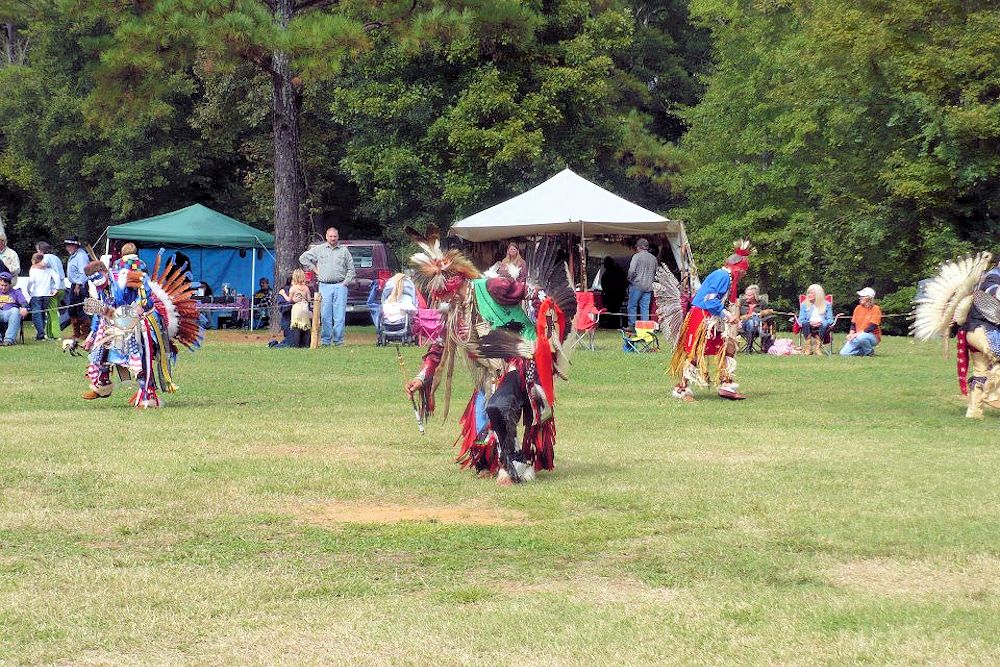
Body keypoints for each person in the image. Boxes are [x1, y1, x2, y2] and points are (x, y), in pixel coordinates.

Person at [403, 227, 576, 485]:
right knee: (486, 411)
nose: (447, 299)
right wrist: (422, 376)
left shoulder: (492, 286)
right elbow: (439, 345)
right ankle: (503, 461)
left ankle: (514, 462)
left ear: (458, 280)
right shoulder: (454, 310)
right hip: (492, 367)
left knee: (500, 405)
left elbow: (538, 296)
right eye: (442, 296)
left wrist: (546, 340)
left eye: (447, 293)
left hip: (522, 356)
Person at [81, 252, 203, 407]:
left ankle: (148, 394)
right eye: (97, 283)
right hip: (118, 323)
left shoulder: (125, 277)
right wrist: (91, 336)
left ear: (106, 272)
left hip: (142, 321)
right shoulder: (100, 287)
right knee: (100, 347)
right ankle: (102, 385)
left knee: (139, 358)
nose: (101, 285)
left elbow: (147, 296)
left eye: (101, 280)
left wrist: (139, 306)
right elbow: (102, 312)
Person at [667, 240, 752, 401]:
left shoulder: (722, 276)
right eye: (744, 271)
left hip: (709, 317)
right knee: (695, 354)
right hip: (702, 317)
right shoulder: (722, 276)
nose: (744, 275)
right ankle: (681, 389)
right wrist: (728, 315)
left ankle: (726, 384)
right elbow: (710, 301)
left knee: (729, 347)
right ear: (738, 268)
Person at [299, 227, 355, 347]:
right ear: (326, 236)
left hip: (340, 286)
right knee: (325, 315)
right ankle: (326, 341)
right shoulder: (319, 249)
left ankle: (338, 341)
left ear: (338, 237)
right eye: (330, 236)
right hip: (324, 286)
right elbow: (303, 258)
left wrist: (345, 282)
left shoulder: (344, 251)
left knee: (339, 316)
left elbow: (351, 269)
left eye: (335, 236)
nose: (333, 238)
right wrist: (314, 269)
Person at [840, 287, 882, 356]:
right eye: (860, 296)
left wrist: (856, 335)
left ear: (869, 298)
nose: (860, 298)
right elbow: (853, 324)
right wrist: (851, 334)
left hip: (872, 336)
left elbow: (871, 327)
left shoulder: (876, 309)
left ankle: (869, 352)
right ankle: (863, 351)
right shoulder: (858, 308)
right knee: (844, 353)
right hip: (858, 335)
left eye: (862, 296)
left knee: (861, 337)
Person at [25, 253, 58, 341]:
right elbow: (57, 278)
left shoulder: (33, 270)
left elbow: (31, 281)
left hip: (36, 294)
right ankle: (41, 332)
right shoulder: (49, 270)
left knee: (36, 315)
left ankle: (40, 334)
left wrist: (28, 290)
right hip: (47, 295)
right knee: (42, 313)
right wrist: (56, 288)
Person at [36, 241, 65, 339]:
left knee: (53, 312)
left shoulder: (46, 257)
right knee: (49, 311)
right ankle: (50, 334)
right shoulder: (56, 258)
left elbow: (42, 266)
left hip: (53, 289)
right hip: (62, 288)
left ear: (40, 250)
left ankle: (57, 335)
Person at [626, 238, 657, 327]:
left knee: (632, 306)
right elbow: (655, 272)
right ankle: (645, 327)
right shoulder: (653, 258)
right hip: (649, 286)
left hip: (637, 285)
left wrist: (630, 279)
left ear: (638, 247)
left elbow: (631, 271)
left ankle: (632, 325)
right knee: (645, 308)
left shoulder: (636, 256)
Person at [65, 236, 91, 341]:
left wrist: (78, 285)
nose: (67, 248)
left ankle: (85, 332)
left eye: (69, 245)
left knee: (81, 309)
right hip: (74, 284)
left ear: (75, 245)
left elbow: (84, 272)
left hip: (80, 286)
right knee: (73, 310)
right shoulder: (74, 256)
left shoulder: (81, 256)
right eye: (67, 245)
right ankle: (76, 332)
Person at [798, 283, 834, 355]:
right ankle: (808, 347)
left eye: (811, 293)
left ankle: (818, 347)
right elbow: (801, 319)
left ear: (818, 294)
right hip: (808, 325)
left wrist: (820, 322)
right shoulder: (804, 304)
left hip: (821, 325)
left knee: (825, 323)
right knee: (804, 322)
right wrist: (810, 322)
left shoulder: (827, 304)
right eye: (808, 293)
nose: (809, 295)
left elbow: (830, 319)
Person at [738, 284, 773, 353]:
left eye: (749, 295)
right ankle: (750, 345)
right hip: (743, 325)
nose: (747, 297)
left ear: (755, 295)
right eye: (746, 295)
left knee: (754, 320)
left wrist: (761, 318)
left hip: (758, 323)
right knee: (751, 321)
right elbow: (736, 315)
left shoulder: (762, 303)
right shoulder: (742, 302)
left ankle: (749, 347)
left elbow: (768, 315)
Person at [0, 271, 28, 346]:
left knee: (15, 310)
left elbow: (24, 302)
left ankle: (9, 340)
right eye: (1, 285)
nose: (3, 287)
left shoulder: (16, 292)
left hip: (11, 314)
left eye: (5, 285)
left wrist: (24, 308)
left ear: (10, 284)